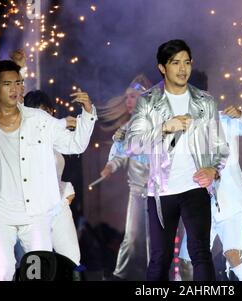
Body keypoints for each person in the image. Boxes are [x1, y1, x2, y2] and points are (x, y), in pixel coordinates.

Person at [0, 60, 96, 280]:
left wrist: (88, 114)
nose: (15, 89)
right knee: (3, 268)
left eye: (19, 83)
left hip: (35, 211)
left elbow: (75, 145)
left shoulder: (40, 120)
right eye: (8, 84)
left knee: (39, 272)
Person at [124, 39, 229, 281]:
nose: (182, 69)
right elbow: (132, 144)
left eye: (186, 62)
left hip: (195, 188)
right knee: (160, 257)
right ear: (162, 67)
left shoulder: (205, 101)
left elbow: (220, 147)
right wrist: (164, 128)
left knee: (200, 253)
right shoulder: (148, 101)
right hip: (161, 191)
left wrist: (213, 169)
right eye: (175, 63)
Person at [179, 105, 242, 281]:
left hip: (230, 202)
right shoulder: (179, 127)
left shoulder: (222, 120)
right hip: (199, 206)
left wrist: (240, 114)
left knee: (234, 257)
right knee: (186, 263)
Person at [98, 75, 151, 280]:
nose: (128, 102)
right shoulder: (126, 130)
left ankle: (154, 277)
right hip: (137, 191)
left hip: (158, 192)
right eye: (127, 97)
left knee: (152, 240)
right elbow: (119, 154)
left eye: (133, 97)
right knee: (131, 237)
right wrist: (110, 167)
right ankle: (119, 276)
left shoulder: (160, 124)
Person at [24, 90, 81, 266]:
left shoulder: (55, 137)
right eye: (39, 113)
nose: (45, 118)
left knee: (72, 258)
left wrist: (67, 189)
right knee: (40, 263)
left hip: (58, 206)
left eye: (48, 112)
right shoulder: (22, 142)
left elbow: (77, 145)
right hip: (34, 212)